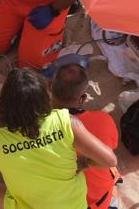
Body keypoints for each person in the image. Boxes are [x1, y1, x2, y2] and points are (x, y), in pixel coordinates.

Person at [0, 68, 117, 209]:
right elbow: (109, 161)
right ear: (44, 97)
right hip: (73, 205)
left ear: (4, 104)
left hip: (27, 204)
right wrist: (82, 164)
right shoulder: (66, 122)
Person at [52, 63, 120, 209]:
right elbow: (111, 154)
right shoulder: (104, 119)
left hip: (63, 200)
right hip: (98, 200)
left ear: (50, 87)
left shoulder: (38, 125)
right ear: (82, 98)